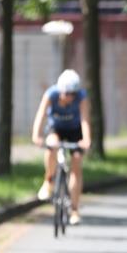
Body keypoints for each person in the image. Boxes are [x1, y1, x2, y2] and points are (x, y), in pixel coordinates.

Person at [31, 69, 91, 225]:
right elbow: (41, 115)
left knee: (76, 163)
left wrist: (87, 139)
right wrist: (36, 135)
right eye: (66, 93)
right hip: (55, 128)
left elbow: (84, 120)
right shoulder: (51, 95)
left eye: (72, 94)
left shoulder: (81, 97)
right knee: (51, 145)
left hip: (74, 130)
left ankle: (75, 210)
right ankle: (48, 180)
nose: (69, 97)